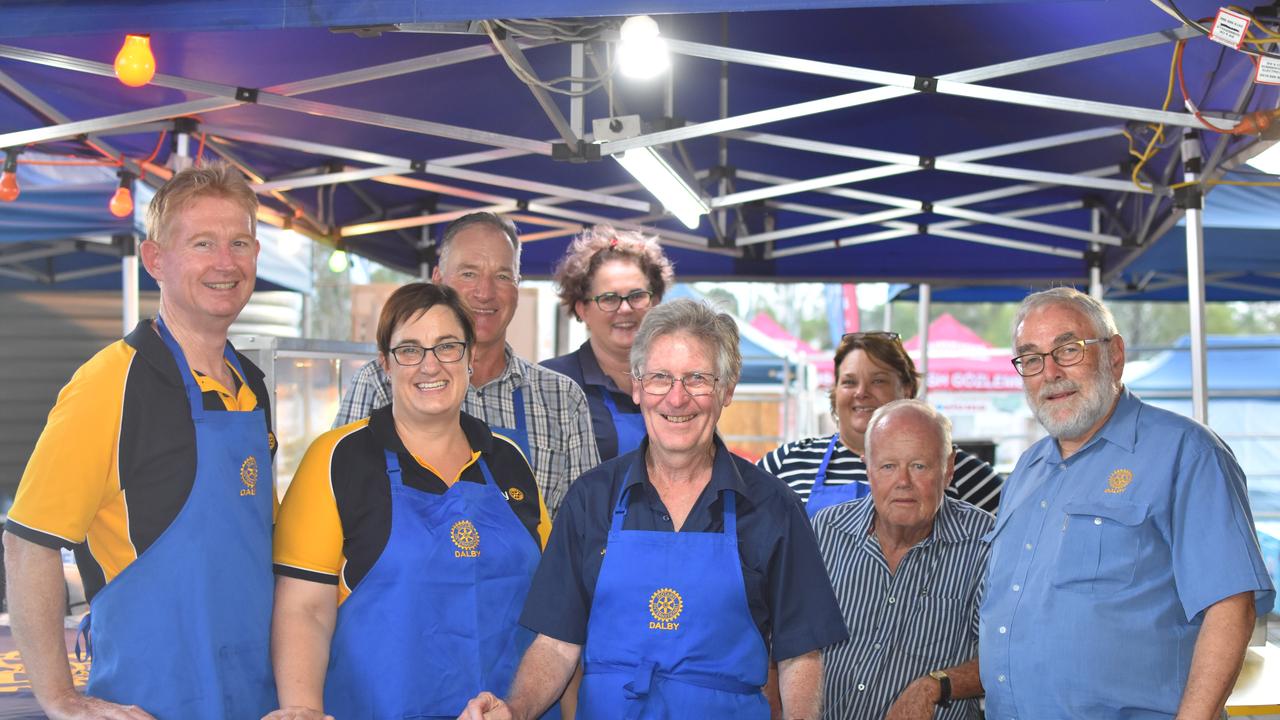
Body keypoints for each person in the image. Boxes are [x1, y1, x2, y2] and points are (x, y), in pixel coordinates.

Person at [460, 298, 848, 720]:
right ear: (638, 386)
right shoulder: (592, 499)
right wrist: (515, 710)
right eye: (660, 378)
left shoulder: (775, 509)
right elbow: (556, 643)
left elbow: (799, 656)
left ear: (726, 389)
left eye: (697, 378)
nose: (677, 398)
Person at [3, 162, 277, 719]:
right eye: (202, 243)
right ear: (155, 260)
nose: (226, 262)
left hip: (253, 693)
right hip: (150, 699)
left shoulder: (252, 384)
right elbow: (28, 541)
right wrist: (60, 699)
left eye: (239, 243)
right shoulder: (108, 382)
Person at [979, 287, 1275, 719]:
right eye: (1031, 358)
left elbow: (1230, 606)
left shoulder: (1187, 453)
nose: (1050, 372)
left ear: (1114, 354)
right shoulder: (1026, 470)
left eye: (1068, 349)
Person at [265, 283, 550, 719]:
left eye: (447, 346)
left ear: (471, 357)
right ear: (384, 364)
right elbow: (304, 610)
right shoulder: (338, 459)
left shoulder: (509, 461)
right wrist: (302, 709)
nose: (429, 365)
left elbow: (550, 606)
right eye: (410, 350)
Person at [333, 212, 599, 516]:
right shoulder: (384, 380)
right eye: (468, 274)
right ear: (437, 281)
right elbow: (341, 498)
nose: (485, 292)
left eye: (502, 276)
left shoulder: (562, 398)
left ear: (517, 287)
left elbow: (584, 529)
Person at [812, 399, 990, 720]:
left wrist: (935, 685)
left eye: (919, 465)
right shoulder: (825, 530)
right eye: (888, 466)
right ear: (867, 468)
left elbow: (1005, 658)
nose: (903, 481)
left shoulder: (985, 542)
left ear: (948, 468)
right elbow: (787, 641)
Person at [759, 331, 1003, 517]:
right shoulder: (787, 463)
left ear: (906, 389)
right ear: (835, 391)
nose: (861, 393)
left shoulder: (952, 468)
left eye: (878, 381)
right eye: (849, 382)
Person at [541, 225, 675, 461]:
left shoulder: (677, 379)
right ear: (582, 309)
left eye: (636, 296)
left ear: (654, 301)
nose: (625, 309)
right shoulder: (550, 383)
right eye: (609, 299)